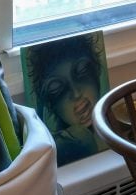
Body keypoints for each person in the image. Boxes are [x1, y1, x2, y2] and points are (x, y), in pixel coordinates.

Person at [26, 33, 107, 166]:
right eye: (56, 89)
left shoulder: (112, 130)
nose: (75, 93)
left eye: (82, 72)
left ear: (96, 70)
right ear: (49, 103)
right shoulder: (63, 147)